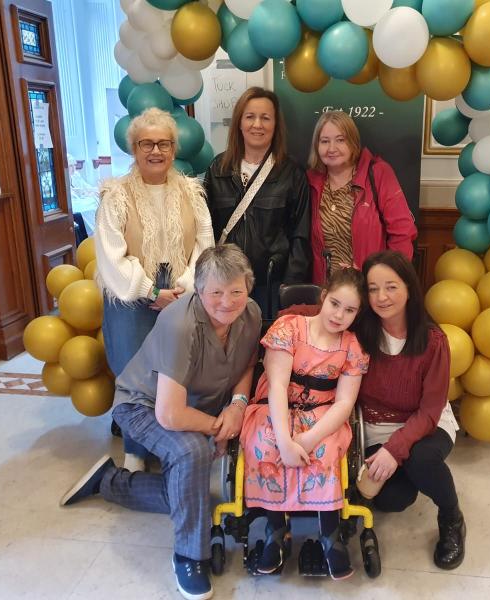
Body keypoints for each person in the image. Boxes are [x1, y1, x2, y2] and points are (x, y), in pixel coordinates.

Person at [60, 245, 261, 600]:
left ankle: (106, 481)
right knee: (192, 454)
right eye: (216, 292)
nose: (227, 302)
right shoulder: (179, 323)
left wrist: (239, 406)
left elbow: (246, 363)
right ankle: (189, 556)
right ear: (199, 290)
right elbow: (169, 414)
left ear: (249, 289)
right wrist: (219, 426)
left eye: (236, 291)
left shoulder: (252, 315)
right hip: (143, 405)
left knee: (191, 493)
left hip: (196, 405)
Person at [95, 107, 214, 472]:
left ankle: (175, 443)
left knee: (180, 370)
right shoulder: (115, 195)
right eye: (147, 143)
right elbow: (110, 254)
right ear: (134, 148)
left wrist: (183, 286)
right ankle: (135, 451)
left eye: (164, 143)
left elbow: (205, 242)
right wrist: (150, 290)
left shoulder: (192, 192)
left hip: (182, 292)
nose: (156, 151)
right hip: (132, 297)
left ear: (175, 149)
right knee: (135, 373)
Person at [239, 268, 369, 580]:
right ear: (323, 297)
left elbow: (344, 403)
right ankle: (275, 530)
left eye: (349, 310)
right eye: (335, 304)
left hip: (324, 413)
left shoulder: (352, 346)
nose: (339, 315)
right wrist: (285, 441)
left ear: (358, 313)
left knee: (324, 451)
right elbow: (278, 386)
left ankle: (330, 534)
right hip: (277, 404)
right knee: (264, 442)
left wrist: (308, 440)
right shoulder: (290, 328)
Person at [356, 250, 466, 571]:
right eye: (372, 288)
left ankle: (451, 518)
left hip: (426, 425)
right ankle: (410, 471)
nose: (381, 296)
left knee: (420, 458)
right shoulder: (360, 331)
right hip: (376, 426)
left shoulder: (433, 340)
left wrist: (395, 450)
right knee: (393, 500)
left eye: (390, 286)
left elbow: (430, 410)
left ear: (409, 287)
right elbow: (320, 311)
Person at [203, 87, 311, 318]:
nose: (257, 125)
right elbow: (205, 230)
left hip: (271, 286)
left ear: (275, 125)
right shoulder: (217, 169)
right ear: (239, 123)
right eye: (250, 117)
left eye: (265, 118)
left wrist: (289, 289)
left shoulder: (291, 173)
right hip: (225, 286)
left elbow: (300, 236)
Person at [306, 110, 417, 285]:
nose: (331, 148)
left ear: (352, 142)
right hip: (327, 290)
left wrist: (386, 278)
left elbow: (402, 232)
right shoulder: (310, 182)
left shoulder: (378, 173)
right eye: (324, 141)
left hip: (369, 286)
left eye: (340, 140)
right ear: (316, 146)